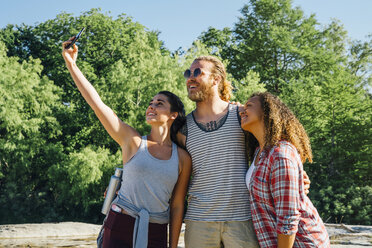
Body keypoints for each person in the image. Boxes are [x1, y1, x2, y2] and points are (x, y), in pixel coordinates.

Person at [62, 38, 191, 248]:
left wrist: (173, 245)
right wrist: (71, 64)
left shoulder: (182, 158)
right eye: (150, 103)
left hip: (157, 231)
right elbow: (97, 105)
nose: (152, 107)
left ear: (173, 115)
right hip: (120, 224)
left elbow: (177, 206)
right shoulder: (132, 141)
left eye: (160, 104)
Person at [176, 55, 311, 247]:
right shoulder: (182, 129)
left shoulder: (242, 115)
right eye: (188, 73)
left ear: (216, 79)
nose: (190, 77)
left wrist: (299, 177)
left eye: (198, 72)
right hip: (199, 221)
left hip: (243, 219)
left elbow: (273, 146)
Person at [240, 92, 330, 248]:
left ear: (266, 112)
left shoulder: (281, 155)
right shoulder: (259, 152)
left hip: (303, 243)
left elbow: (288, 218)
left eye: (249, 106)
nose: (242, 110)